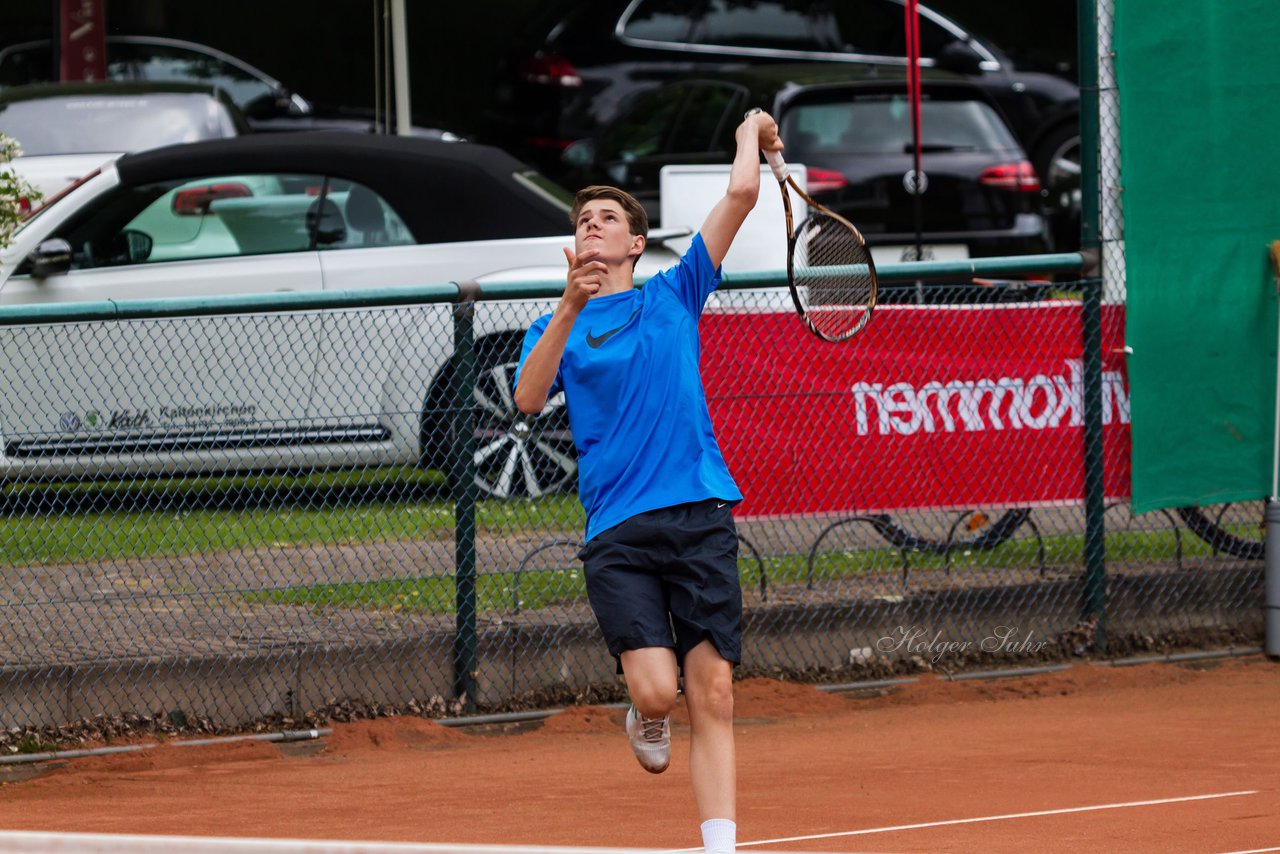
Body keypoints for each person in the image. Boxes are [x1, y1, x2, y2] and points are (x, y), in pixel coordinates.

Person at [512, 109, 783, 854]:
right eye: (584, 218)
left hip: (698, 512)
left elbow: (739, 199)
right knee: (660, 691)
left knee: (717, 694)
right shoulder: (555, 326)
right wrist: (569, 304)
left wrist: (746, 135)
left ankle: (720, 846)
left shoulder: (675, 292)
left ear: (636, 242)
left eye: (608, 217)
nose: (594, 224)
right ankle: (646, 711)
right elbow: (528, 401)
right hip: (619, 531)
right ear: (575, 244)